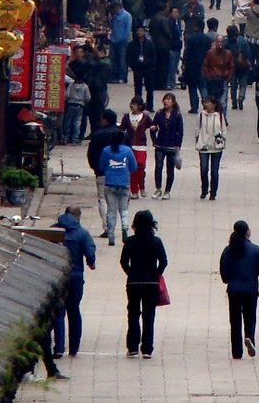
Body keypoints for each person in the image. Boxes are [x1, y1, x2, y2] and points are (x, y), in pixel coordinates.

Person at [120, 209, 168, 358]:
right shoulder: (156, 241)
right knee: (149, 315)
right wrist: (157, 274)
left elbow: (123, 261)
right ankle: (147, 348)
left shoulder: (130, 241)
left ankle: (133, 346)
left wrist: (130, 273)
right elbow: (164, 261)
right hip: (151, 283)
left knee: (133, 314)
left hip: (134, 282)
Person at [218, 220, 259, 360]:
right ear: (247, 231)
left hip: (234, 289)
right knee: (250, 316)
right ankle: (249, 338)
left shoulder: (228, 250)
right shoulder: (256, 250)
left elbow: (223, 270)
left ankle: (236, 351)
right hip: (250, 290)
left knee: (234, 320)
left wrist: (227, 280)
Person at [53, 204, 96, 357]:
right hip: (76, 276)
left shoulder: (53, 231)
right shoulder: (82, 234)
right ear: (78, 217)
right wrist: (91, 263)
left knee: (58, 312)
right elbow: (90, 253)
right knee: (74, 311)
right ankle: (74, 347)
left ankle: (58, 348)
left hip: (57, 277)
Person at [96, 120, 135, 246]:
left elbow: (101, 166)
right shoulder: (128, 151)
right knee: (124, 209)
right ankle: (124, 230)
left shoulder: (106, 151)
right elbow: (134, 167)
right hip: (124, 184)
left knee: (111, 211)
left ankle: (111, 236)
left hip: (109, 184)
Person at [151, 92, 184, 199]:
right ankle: (158, 188)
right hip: (160, 144)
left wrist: (178, 145)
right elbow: (153, 126)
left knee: (170, 169)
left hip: (171, 145)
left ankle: (167, 190)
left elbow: (180, 131)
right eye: (165, 99)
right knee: (158, 166)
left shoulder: (177, 115)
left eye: (169, 99)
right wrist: (154, 140)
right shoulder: (159, 113)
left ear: (173, 102)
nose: (166, 101)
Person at [195, 95, 228, 200]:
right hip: (203, 146)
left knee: (214, 171)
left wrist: (222, 139)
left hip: (216, 147)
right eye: (205, 102)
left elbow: (224, 130)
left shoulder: (219, 116)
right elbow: (197, 129)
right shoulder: (201, 115)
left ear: (214, 105)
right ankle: (204, 189)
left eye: (209, 103)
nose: (206, 104)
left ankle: (213, 192)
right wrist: (198, 140)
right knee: (204, 169)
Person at [121, 97, 154, 198]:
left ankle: (142, 186)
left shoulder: (145, 117)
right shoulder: (126, 117)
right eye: (131, 104)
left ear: (139, 106)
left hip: (141, 146)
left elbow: (152, 127)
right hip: (130, 146)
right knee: (132, 168)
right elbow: (122, 130)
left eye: (134, 104)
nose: (132, 106)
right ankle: (134, 191)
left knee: (140, 167)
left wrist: (154, 134)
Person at [202, 26, 236, 112]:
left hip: (223, 79)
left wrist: (228, 77)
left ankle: (222, 119)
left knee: (223, 101)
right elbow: (205, 65)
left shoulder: (228, 54)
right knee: (213, 100)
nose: (220, 44)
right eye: (218, 42)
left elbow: (231, 66)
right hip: (213, 79)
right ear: (215, 42)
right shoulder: (210, 53)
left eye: (221, 42)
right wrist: (208, 76)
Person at [181, 15, 211, 107]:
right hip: (204, 65)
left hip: (192, 66)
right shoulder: (207, 39)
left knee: (192, 86)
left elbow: (187, 52)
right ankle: (206, 103)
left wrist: (184, 63)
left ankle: (194, 106)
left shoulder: (191, 39)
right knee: (203, 86)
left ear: (196, 27)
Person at [61, 66, 91, 145]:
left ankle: (66, 138)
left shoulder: (71, 85)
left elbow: (67, 95)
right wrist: (84, 101)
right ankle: (75, 139)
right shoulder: (85, 86)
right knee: (77, 122)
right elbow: (88, 97)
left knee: (68, 122)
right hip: (80, 105)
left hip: (71, 104)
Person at [108, 0, 133, 84]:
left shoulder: (126, 15)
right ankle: (114, 76)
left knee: (122, 60)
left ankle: (122, 77)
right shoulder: (114, 16)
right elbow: (112, 26)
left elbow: (128, 29)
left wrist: (123, 39)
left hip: (123, 42)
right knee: (113, 60)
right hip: (113, 40)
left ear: (118, 7)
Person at [130, 23, 156, 104]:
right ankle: (138, 104)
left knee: (149, 87)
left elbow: (153, 55)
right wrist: (132, 65)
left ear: (144, 32)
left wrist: (151, 65)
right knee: (137, 88)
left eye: (141, 30)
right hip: (137, 68)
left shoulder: (149, 43)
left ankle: (150, 105)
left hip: (148, 68)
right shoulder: (132, 44)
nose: (139, 32)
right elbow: (129, 56)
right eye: (137, 31)